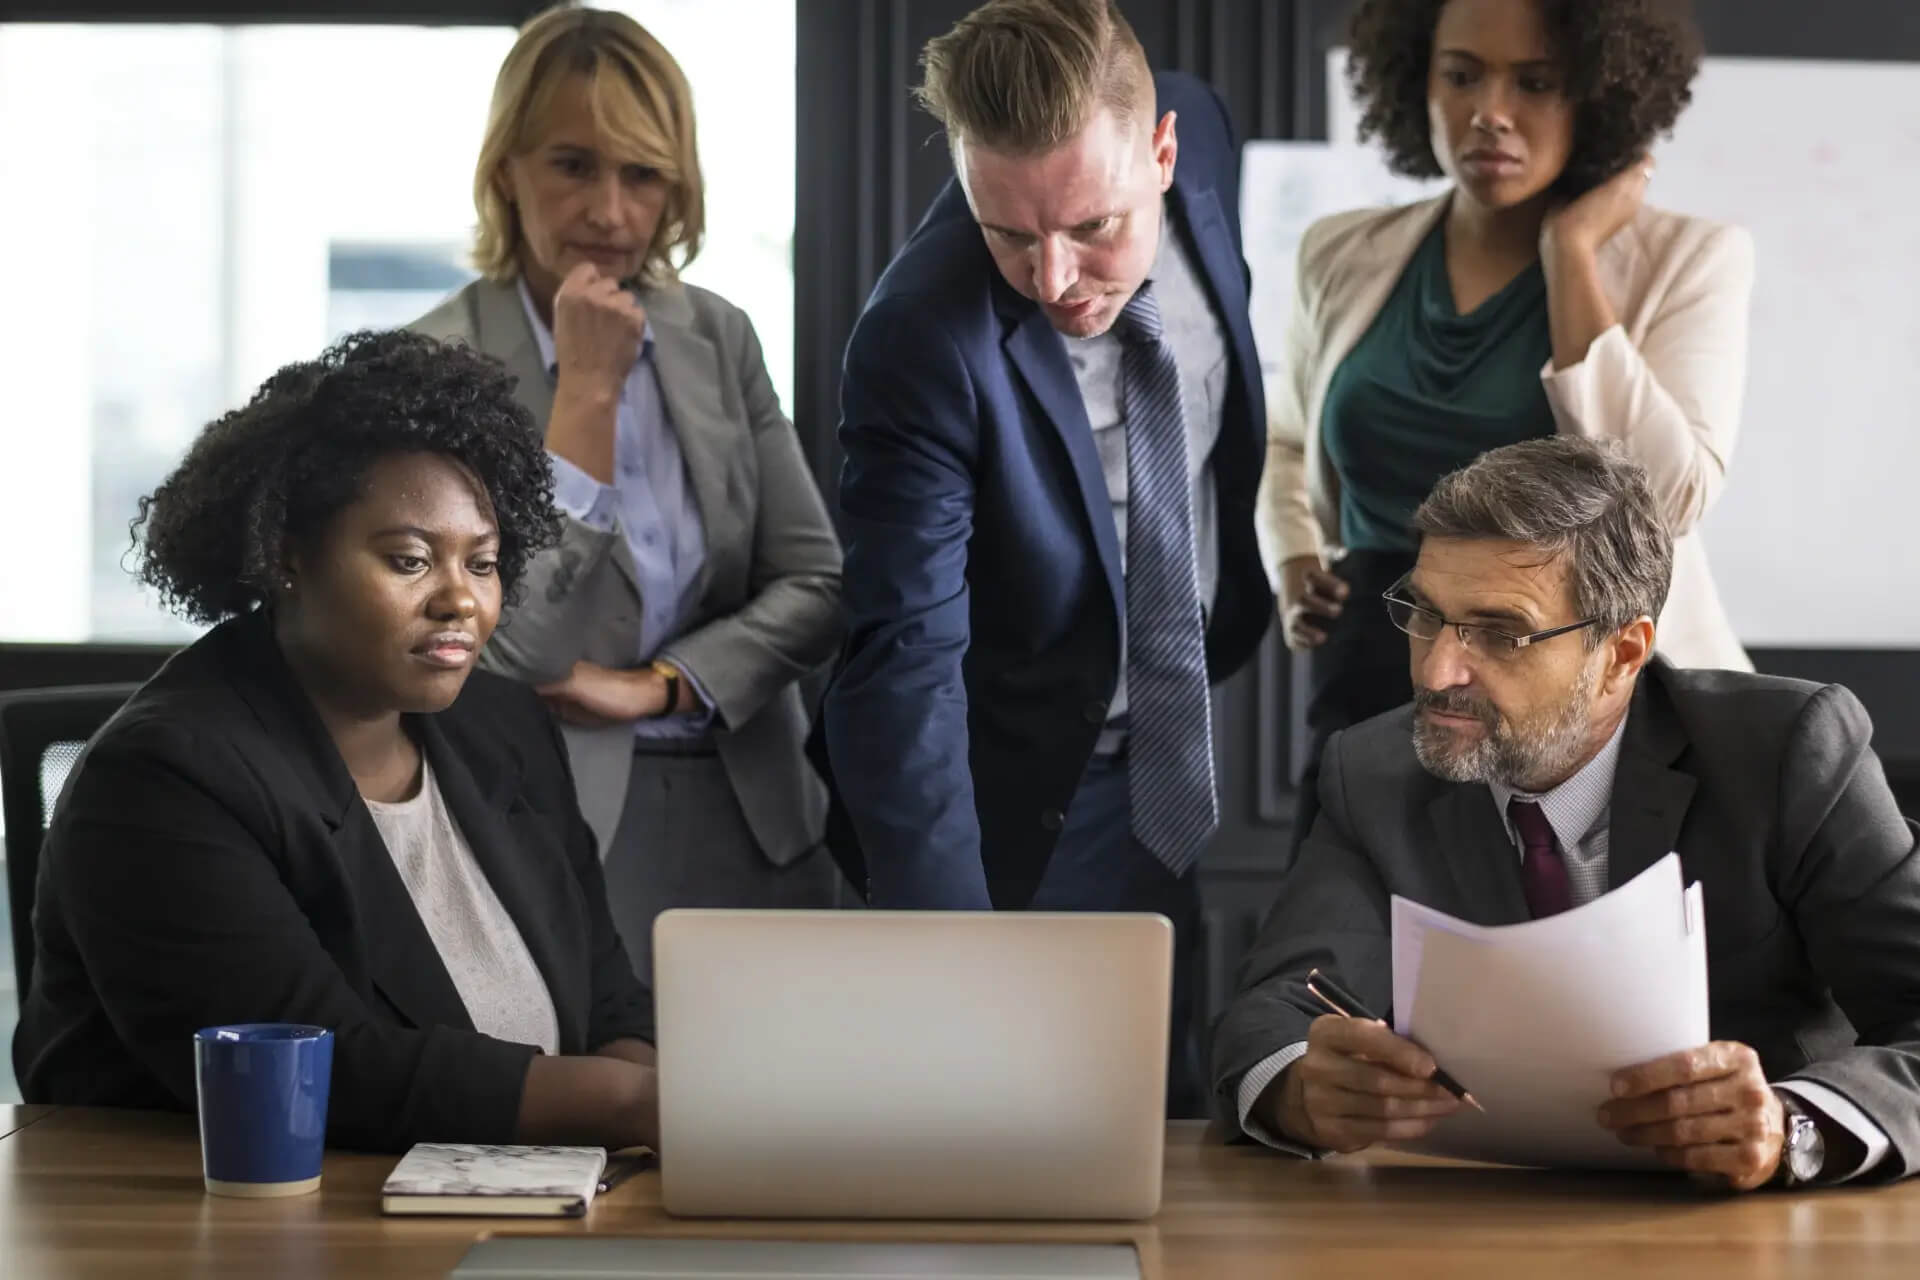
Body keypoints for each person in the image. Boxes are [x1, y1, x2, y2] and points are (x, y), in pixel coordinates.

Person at [14, 332, 661, 1155]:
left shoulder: (506, 729)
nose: (460, 599)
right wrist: (626, 1109)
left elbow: (608, 997)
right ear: (288, 557)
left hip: (519, 1203)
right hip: (218, 1229)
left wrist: (644, 1126)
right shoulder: (164, 777)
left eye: (485, 563)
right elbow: (327, 1071)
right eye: (410, 560)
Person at [1215, 437, 1920, 1190]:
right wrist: (1301, 1089)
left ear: (1621, 654)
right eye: (1424, 615)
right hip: (1468, 1225)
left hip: (1747, 1225)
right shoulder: (1375, 769)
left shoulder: (1787, 753)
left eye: (1500, 633)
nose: (1436, 670)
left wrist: (1794, 1127)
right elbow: (1277, 1010)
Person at [815, 0, 1271, 1114]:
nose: (1055, 277)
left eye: (1095, 227)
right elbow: (902, 657)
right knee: (992, 1132)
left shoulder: (1202, 128)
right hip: (1005, 798)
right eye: (1009, 234)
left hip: (1169, 749)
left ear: (1163, 151)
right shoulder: (919, 338)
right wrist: (950, 955)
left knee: (1150, 1120)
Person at [1260, 0, 1754, 858]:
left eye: (1536, 82)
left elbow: (1665, 501)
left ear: (1599, 97)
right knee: (1334, 965)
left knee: (1560, 970)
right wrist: (1295, 553)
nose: (1490, 111)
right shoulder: (1341, 253)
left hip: (1570, 689)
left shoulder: (1691, 259)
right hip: (1377, 668)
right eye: (1460, 75)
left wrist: (1571, 256)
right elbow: (1290, 437)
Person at [412, 5, 844, 978]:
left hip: (757, 811)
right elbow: (515, 644)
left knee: (779, 1119)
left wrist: (658, 685)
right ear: (507, 168)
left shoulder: (718, 334)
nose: (610, 211)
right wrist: (591, 394)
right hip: (552, 823)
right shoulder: (435, 362)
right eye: (573, 164)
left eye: (642, 174)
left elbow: (817, 584)